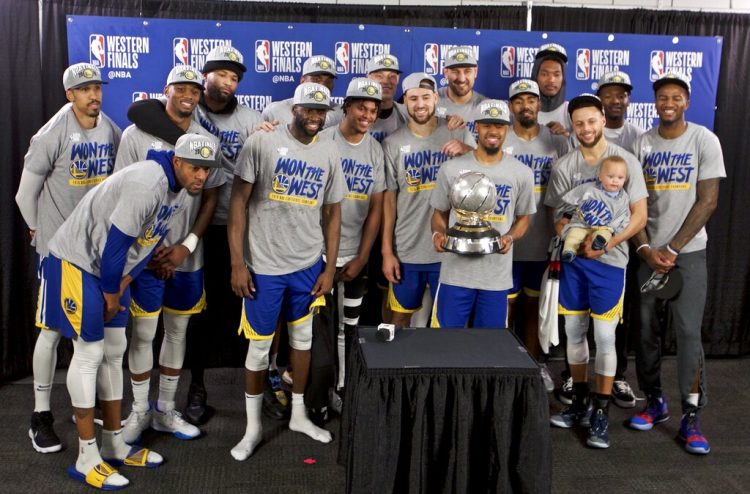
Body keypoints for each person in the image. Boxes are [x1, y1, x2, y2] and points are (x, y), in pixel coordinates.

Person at [42, 133, 219, 490]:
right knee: (90, 353)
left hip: (110, 272)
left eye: (207, 170)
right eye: (195, 168)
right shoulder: (147, 182)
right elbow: (115, 245)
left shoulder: (180, 189)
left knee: (114, 351)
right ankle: (86, 456)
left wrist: (124, 282)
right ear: (178, 162)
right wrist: (112, 292)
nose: (201, 176)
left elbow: (148, 241)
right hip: (76, 263)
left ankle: (113, 442)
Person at [228, 82, 345, 461]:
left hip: (308, 264)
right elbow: (238, 204)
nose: (314, 116)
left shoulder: (329, 150)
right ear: (293, 108)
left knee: (303, 341)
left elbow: (333, 213)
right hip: (263, 266)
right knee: (259, 348)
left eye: (320, 111)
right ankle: (253, 428)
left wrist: (329, 267)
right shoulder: (261, 142)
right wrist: (237, 262)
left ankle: (297, 415)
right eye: (308, 109)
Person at [15, 62, 121, 454]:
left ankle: (84, 405)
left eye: (97, 87)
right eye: (84, 89)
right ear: (69, 95)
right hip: (59, 253)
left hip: (95, 252)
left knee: (92, 336)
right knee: (52, 330)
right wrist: (38, 233)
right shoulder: (51, 135)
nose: (93, 94)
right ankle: (40, 414)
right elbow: (24, 195)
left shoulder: (109, 129)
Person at [116, 65, 223, 445]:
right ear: (166, 90)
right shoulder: (134, 135)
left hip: (185, 256)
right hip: (144, 254)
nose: (189, 95)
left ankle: (165, 409)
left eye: (195, 89)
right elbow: (123, 193)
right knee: (143, 333)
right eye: (181, 87)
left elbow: (212, 195)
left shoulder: (205, 139)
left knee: (177, 332)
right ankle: (140, 410)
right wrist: (148, 247)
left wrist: (186, 246)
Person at [629, 72, 725, 455]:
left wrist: (672, 248)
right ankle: (655, 400)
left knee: (687, 332)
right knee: (646, 331)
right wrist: (646, 250)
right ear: (655, 102)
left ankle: (691, 415)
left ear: (686, 101)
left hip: (688, 254)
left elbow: (709, 201)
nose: (668, 103)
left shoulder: (704, 139)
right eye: (662, 97)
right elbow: (632, 206)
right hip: (648, 254)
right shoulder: (642, 144)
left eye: (676, 97)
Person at [545, 94, 647, 449]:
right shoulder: (564, 167)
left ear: (603, 119)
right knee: (574, 333)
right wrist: (571, 238)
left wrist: (607, 241)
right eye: (579, 123)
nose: (586, 128)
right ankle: (579, 403)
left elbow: (640, 216)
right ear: (572, 126)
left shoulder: (625, 162)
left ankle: (601, 412)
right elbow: (556, 218)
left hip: (610, 265)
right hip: (575, 265)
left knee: (604, 338)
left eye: (592, 120)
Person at [381, 72, 474, 328]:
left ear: (436, 98)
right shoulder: (393, 143)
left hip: (449, 249)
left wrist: (467, 150)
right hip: (407, 248)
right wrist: (387, 251)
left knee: (446, 323)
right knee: (398, 319)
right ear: (405, 101)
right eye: (413, 98)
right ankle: (397, 368)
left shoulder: (457, 131)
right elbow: (389, 201)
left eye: (425, 97)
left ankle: (441, 369)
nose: (420, 104)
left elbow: (484, 173)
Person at [430, 100, 535, 328]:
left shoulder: (522, 173)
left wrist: (509, 238)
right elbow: (439, 213)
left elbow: (524, 218)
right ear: (476, 126)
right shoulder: (451, 169)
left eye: (499, 125)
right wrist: (437, 235)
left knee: (489, 347)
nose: (493, 131)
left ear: (507, 128)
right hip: (455, 275)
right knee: (446, 342)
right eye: (487, 125)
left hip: (495, 277)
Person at [316, 78, 385, 419]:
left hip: (355, 253)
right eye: (361, 107)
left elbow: (376, 210)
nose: (367, 115)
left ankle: (343, 387)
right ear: (346, 106)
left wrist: (362, 256)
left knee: (350, 327)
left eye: (373, 110)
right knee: (318, 331)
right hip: (318, 253)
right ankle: (315, 391)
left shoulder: (375, 149)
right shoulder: (323, 139)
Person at [502, 79, 569, 391]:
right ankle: (501, 364)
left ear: (539, 104)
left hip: (544, 242)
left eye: (531, 100)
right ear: (511, 106)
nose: (525, 105)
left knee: (535, 309)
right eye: (518, 101)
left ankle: (533, 366)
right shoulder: (502, 137)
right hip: (509, 242)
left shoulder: (556, 139)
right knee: (506, 307)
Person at [596, 70, 644, 408]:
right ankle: (582, 374)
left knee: (621, 312)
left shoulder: (637, 138)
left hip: (626, 236)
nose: (616, 99)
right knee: (589, 311)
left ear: (628, 99)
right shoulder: (587, 133)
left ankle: (619, 376)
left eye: (622, 94)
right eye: (610, 94)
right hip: (594, 234)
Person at [559, 156, 631, 262]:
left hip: (603, 228)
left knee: (604, 234)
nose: (615, 180)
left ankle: (598, 243)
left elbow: (624, 216)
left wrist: (615, 231)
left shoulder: (623, 199)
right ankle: (569, 251)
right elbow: (572, 201)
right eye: (610, 176)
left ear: (625, 179)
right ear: (600, 176)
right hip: (582, 225)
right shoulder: (589, 189)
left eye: (620, 178)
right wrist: (567, 215)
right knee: (573, 235)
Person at [262, 55, 343, 129]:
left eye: (328, 81)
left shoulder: (343, 113)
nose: (322, 85)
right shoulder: (274, 111)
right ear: (302, 80)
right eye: (316, 79)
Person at [437, 45, 486, 135]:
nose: (462, 79)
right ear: (446, 73)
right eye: (455, 71)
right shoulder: (430, 101)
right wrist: (437, 119)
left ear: (475, 72)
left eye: (467, 71)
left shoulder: (485, 106)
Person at [597, 71, 644, 154]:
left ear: (628, 100)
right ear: (599, 100)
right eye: (608, 96)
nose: (615, 101)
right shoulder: (587, 134)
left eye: (621, 96)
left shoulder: (640, 137)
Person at [366, 53, 408, 143]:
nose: (386, 81)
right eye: (379, 76)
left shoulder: (408, 115)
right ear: (368, 77)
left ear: (398, 79)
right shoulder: (352, 115)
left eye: (392, 76)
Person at [532, 43, 571, 136]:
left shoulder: (571, 112)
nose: (551, 80)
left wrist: (566, 138)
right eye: (544, 74)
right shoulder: (523, 112)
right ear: (535, 75)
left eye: (556, 74)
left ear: (563, 77)